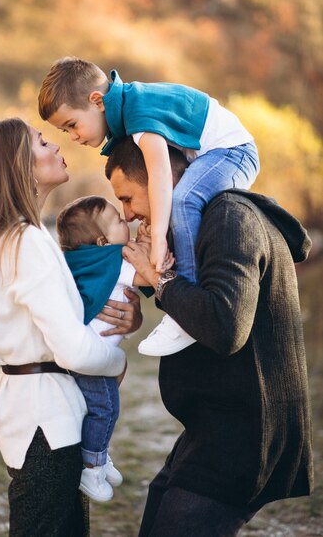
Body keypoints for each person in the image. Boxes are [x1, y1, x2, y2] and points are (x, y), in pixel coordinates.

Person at [0, 119, 143, 537]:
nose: (54, 145)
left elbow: (71, 323)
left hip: (43, 414)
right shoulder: (26, 242)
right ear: (19, 165)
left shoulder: (23, 237)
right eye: (40, 141)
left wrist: (127, 318)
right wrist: (116, 360)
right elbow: (73, 351)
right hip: (43, 420)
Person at [105, 137, 313, 537]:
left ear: (159, 179)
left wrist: (162, 282)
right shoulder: (205, 220)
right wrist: (151, 287)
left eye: (128, 198)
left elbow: (225, 325)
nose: (128, 215)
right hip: (212, 427)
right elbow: (201, 303)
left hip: (243, 437)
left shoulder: (230, 218)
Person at [38, 56, 260, 357]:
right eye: (66, 132)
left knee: (183, 200)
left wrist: (157, 240)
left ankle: (185, 312)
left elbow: (159, 171)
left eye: (72, 125)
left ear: (97, 100)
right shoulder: (129, 114)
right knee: (179, 208)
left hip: (233, 151)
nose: (74, 137)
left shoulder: (138, 111)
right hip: (215, 154)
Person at [56, 195, 156, 502]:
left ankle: (98, 456)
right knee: (105, 409)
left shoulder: (91, 261)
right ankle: (92, 467)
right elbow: (149, 275)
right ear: (102, 241)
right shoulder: (112, 260)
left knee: (103, 408)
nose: (125, 222)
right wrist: (151, 248)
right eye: (117, 221)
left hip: (91, 354)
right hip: (93, 357)